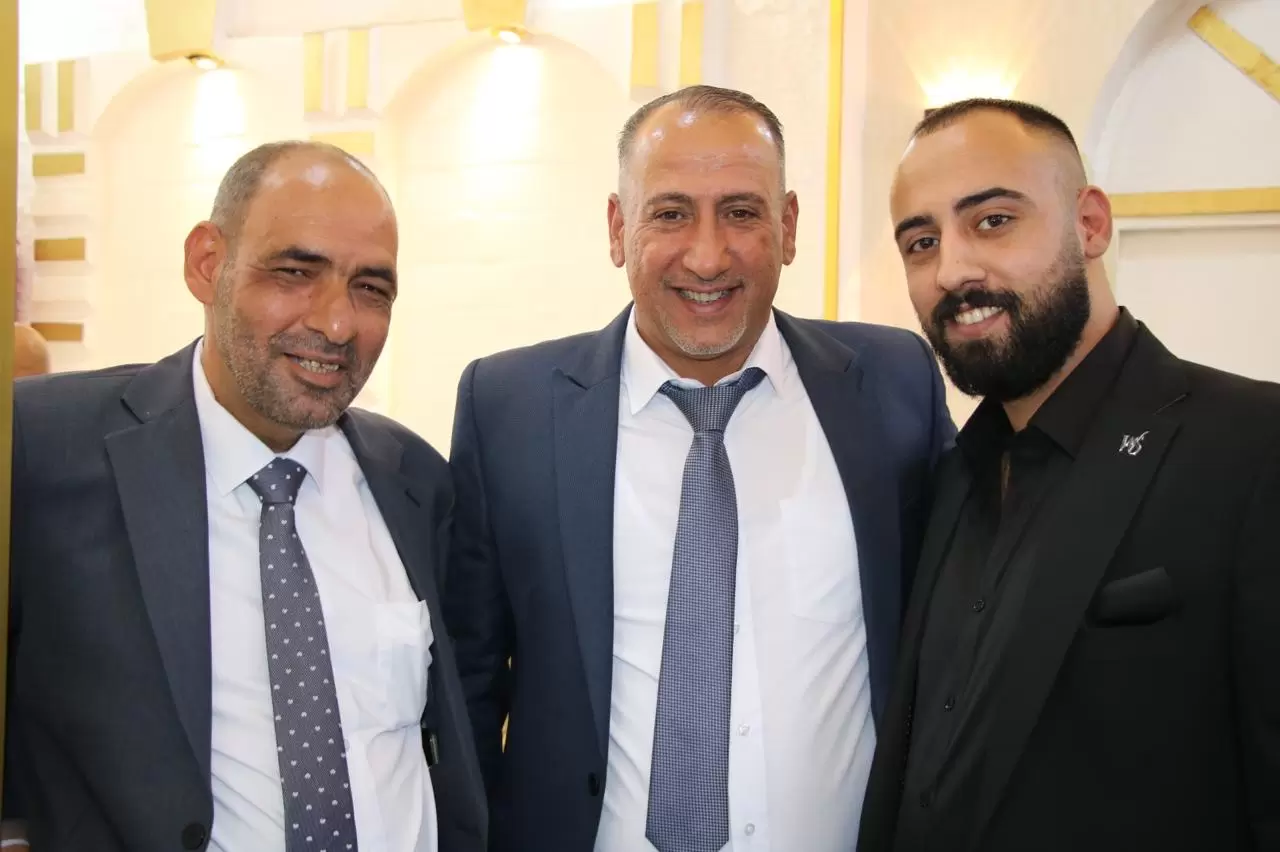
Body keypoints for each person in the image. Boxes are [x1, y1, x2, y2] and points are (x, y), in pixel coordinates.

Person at [444, 84, 955, 852]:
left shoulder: (892, 385)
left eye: (741, 213)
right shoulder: (507, 409)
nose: (708, 255)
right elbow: (470, 690)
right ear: (618, 228)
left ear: (788, 227)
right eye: (671, 213)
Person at [3, 141, 486, 852]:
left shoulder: (415, 480)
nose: (336, 323)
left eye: (370, 288)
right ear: (208, 263)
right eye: (296, 272)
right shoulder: (41, 448)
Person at [857, 98, 1280, 852]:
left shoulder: (1254, 446)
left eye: (993, 221)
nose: (952, 269)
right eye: (922, 242)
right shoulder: (949, 476)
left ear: (1089, 224)